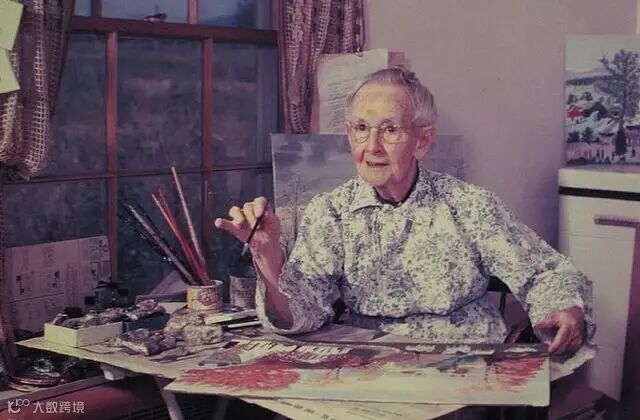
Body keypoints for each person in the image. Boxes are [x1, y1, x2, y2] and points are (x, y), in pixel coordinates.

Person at [215, 66, 594, 357]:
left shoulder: (471, 206)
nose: (372, 146)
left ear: (422, 140)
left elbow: (545, 273)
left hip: (463, 367)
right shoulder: (330, 212)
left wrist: (564, 309)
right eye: (361, 128)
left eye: (390, 130)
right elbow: (301, 315)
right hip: (367, 367)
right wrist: (268, 259)